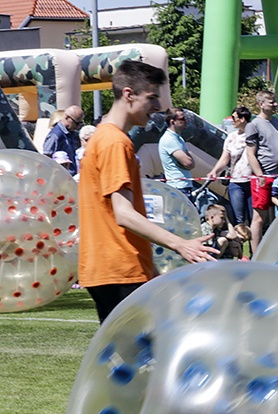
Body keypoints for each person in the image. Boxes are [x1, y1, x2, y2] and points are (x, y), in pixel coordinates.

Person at [78, 60, 217, 323]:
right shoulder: (115, 143)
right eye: (151, 98)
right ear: (128, 94)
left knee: (132, 357)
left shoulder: (105, 138)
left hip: (115, 268)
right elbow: (123, 214)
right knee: (142, 355)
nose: (157, 108)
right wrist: (180, 244)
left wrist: (149, 266)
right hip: (119, 269)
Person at [244, 90, 278, 255]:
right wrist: (259, 174)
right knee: (259, 217)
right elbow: (250, 153)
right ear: (261, 104)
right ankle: (256, 253)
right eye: (271, 102)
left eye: (275, 101)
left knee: (276, 216)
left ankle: (274, 250)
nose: (275, 105)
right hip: (263, 176)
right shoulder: (253, 125)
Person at [208, 106, 254, 228]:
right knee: (239, 220)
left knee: (254, 219)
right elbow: (224, 159)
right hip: (236, 182)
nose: (232, 120)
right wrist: (214, 171)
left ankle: (256, 246)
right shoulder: (231, 137)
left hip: (253, 181)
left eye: (234, 118)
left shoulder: (255, 134)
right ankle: (238, 245)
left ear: (242, 119)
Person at [158, 107, 196, 198]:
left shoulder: (179, 138)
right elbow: (188, 163)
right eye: (182, 119)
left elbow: (191, 164)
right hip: (178, 187)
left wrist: (187, 160)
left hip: (184, 186)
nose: (185, 121)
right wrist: (187, 160)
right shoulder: (169, 139)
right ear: (173, 122)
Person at [43, 104, 83, 176]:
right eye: (76, 123)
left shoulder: (72, 133)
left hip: (70, 177)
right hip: (60, 178)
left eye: (80, 123)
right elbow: (47, 158)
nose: (78, 126)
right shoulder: (55, 135)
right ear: (66, 117)